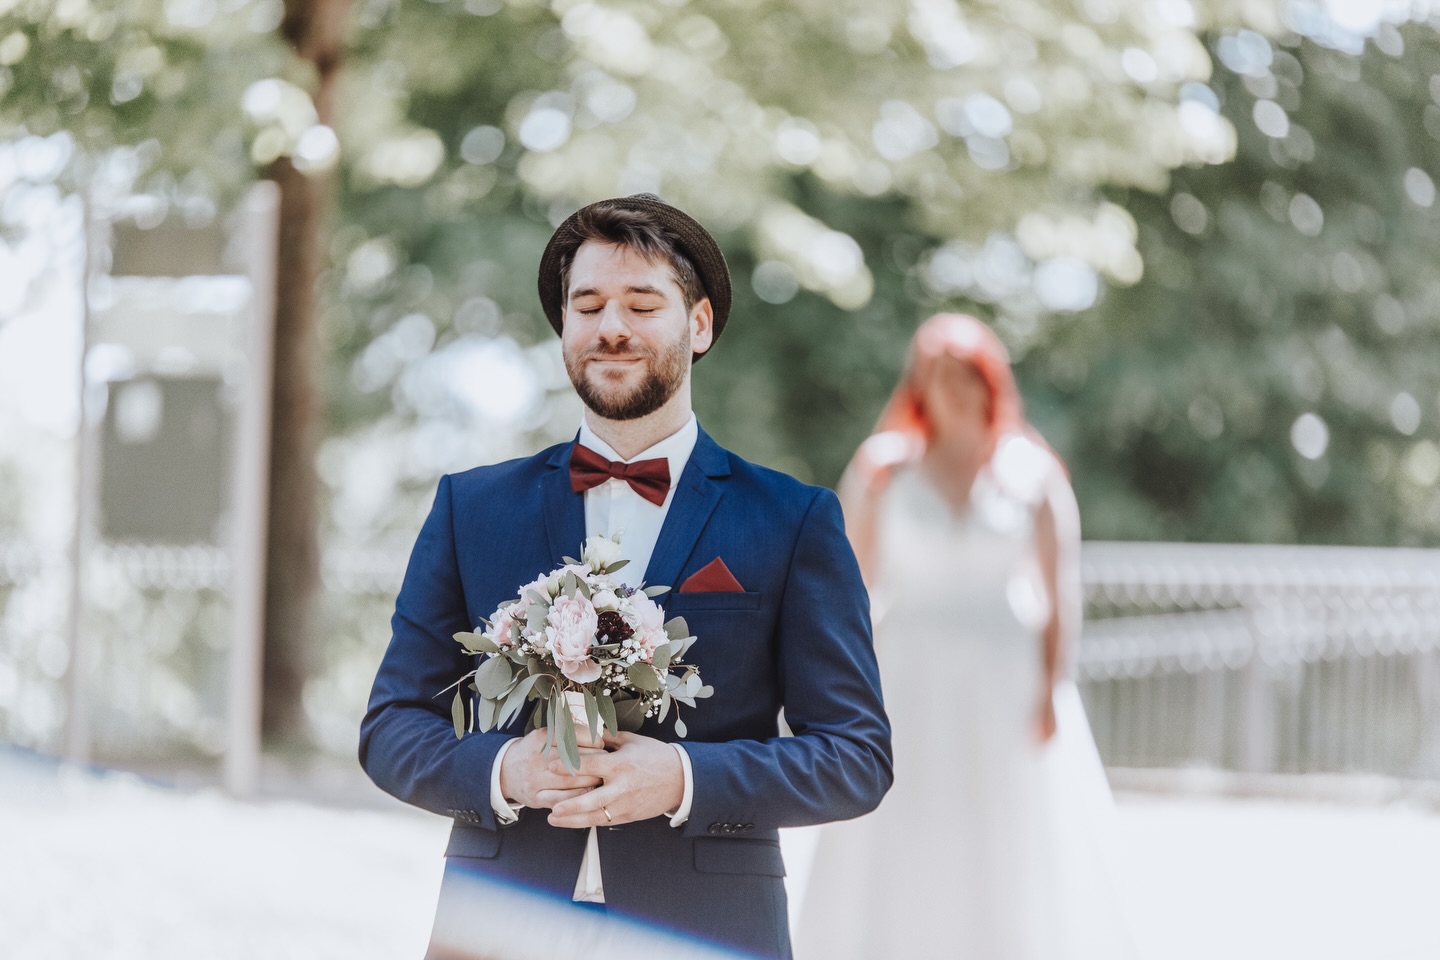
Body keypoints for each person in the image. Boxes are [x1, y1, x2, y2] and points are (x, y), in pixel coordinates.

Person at [359, 194, 892, 960]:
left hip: (710, 930)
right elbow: (390, 729)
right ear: (564, 328)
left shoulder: (792, 519)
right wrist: (504, 770)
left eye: (643, 304)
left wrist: (682, 778)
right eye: (589, 306)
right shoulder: (469, 507)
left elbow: (855, 756)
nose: (612, 327)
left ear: (698, 324)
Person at [795, 313, 1136, 959]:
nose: (954, 391)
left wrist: (1051, 688)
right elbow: (846, 586)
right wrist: (835, 685)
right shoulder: (883, 470)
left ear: (990, 383)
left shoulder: (1035, 474)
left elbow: (1060, 589)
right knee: (904, 820)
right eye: (939, 378)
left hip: (1006, 685)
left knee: (1006, 829)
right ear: (920, 387)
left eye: (966, 377)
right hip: (904, 681)